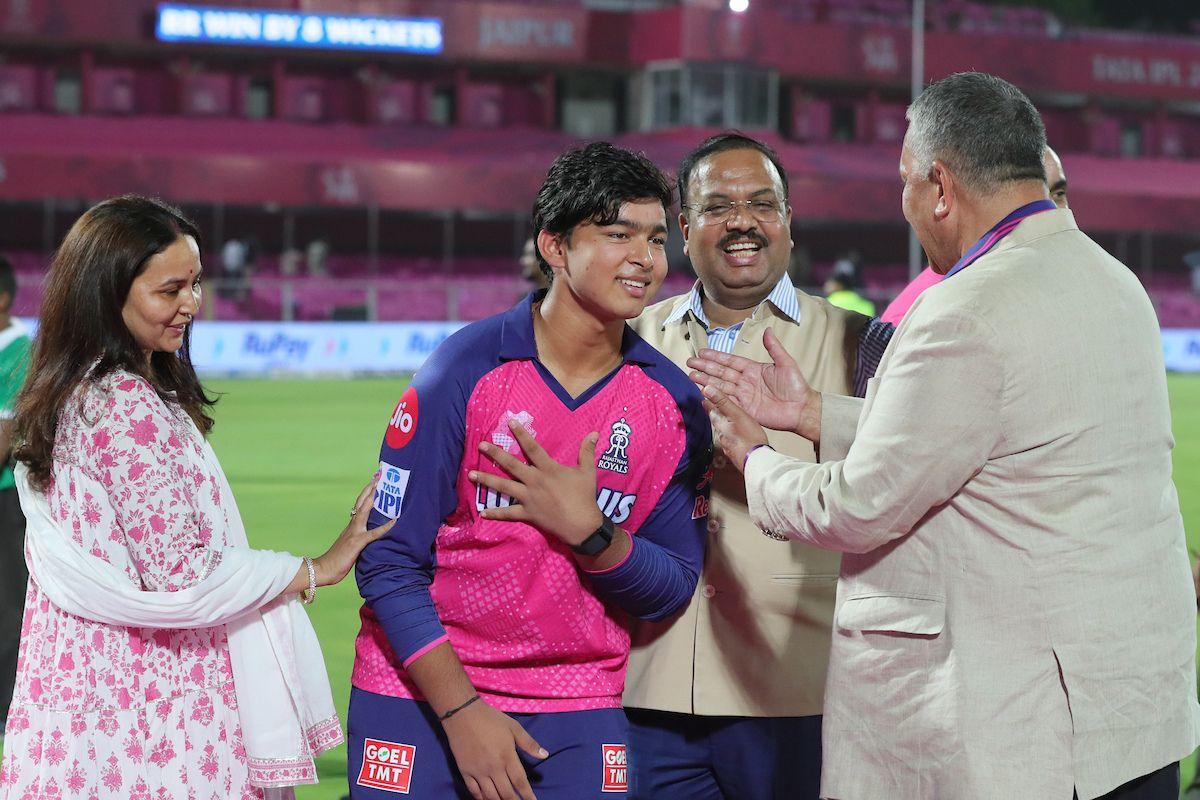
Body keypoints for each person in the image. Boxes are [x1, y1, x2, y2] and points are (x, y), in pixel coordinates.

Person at [690, 72, 1199, 799]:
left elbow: (860, 504)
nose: (905, 207)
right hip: (1127, 716)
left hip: (1022, 736)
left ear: (939, 185)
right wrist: (812, 415)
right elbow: (997, 436)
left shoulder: (966, 307)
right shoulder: (1112, 280)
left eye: (903, 182)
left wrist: (757, 458)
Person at [349, 142, 711, 800]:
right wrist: (461, 712)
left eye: (656, 239)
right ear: (553, 245)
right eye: (616, 233)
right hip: (420, 686)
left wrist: (592, 533)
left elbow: (673, 585)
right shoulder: (463, 373)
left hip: (575, 699)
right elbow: (386, 562)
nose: (644, 258)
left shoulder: (673, 405)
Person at [0, 195, 391, 800]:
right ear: (109, 293)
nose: (191, 304)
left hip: (92, 697)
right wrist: (319, 567)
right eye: (170, 289)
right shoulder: (119, 404)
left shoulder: (84, 388)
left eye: (197, 283)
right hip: (151, 708)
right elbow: (184, 575)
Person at [625, 132, 891, 800]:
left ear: (789, 223)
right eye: (718, 206)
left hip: (801, 694)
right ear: (684, 228)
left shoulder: (866, 344)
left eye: (762, 203)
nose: (743, 220)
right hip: (646, 689)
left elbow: (903, 485)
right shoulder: (626, 340)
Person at [882, 145, 1068, 324]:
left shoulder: (1072, 282)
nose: (1048, 211)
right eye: (1028, 198)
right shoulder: (911, 319)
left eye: (1058, 194)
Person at [0, 255, 31, 733]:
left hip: (6, 499)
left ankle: (10, 713)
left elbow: (6, 437)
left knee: (8, 608)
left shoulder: (20, 351)